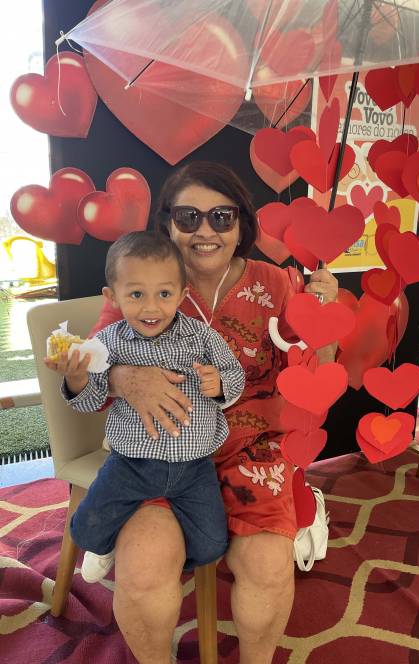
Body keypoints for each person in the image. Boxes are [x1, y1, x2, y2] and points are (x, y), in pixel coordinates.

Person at [91, 162, 338, 664]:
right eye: (189, 217)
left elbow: (319, 371)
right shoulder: (140, 281)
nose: (205, 231)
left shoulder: (278, 284)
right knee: (142, 568)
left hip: (254, 446)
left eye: (222, 217)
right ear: (167, 223)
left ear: (242, 224)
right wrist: (124, 378)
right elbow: (91, 361)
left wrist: (324, 315)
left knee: (269, 566)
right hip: (161, 448)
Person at [45, 230, 245, 583]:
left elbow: (235, 375)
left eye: (164, 294)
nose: (151, 308)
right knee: (87, 531)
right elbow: (92, 399)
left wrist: (219, 385)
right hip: (130, 464)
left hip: (194, 467)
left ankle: (168, 556)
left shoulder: (202, 337)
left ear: (182, 294)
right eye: (136, 294)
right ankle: (110, 544)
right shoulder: (107, 343)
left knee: (212, 546)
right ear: (113, 296)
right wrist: (77, 378)